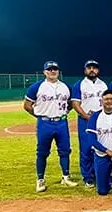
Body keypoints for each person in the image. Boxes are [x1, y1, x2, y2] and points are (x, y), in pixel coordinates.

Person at [24, 61, 78, 192]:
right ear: (44, 72)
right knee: (42, 152)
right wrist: (39, 115)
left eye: (54, 69)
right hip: (45, 123)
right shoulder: (37, 87)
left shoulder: (66, 87)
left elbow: (71, 103)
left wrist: (65, 111)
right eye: (49, 69)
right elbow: (27, 105)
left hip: (61, 122)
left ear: (58, 71)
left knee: (65, 151)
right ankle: (40, 180)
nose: (52, 71)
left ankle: (66, 177)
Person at [70, 59, 108, 187]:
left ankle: (101, 173)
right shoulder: (79, 84)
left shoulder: (103, 85)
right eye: (89, 67)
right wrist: (86, 116)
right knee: (86, 149)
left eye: (94, 68)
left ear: (98, 70)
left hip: (101, 120)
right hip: (85, 120)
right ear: (85, 70)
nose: (92, 70)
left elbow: (108, 101)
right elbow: (75, 104)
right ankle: (88, 177)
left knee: (102, 147)